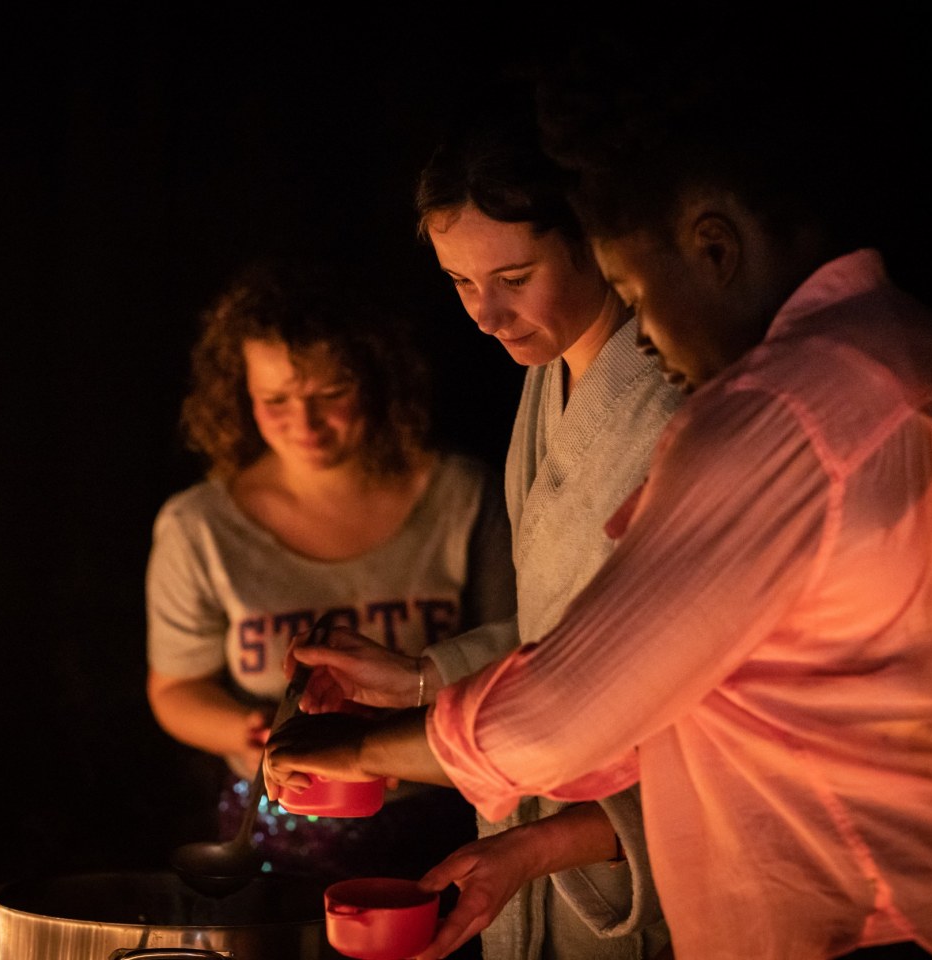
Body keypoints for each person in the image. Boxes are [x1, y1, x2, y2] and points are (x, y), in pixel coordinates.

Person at [263, 25, 932, 960]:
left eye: (632, 284)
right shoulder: (903, 354)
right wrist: (437, 702)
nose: (648, 335)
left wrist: (353, 752)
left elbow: (563, 713)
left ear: (711, 247)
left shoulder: (790, 404)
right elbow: (670, 683)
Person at [283, 78, 682, 959]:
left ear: (595, 238)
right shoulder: (547, 382)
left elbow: (657, 681)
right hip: (533, 834)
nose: (485, 314)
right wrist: (423, 680)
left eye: (514, 277)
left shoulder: (675, 393)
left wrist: (386, 751)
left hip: (637, 859)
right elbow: (555, 634)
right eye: (459, 280)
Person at [145, 255, 516, 889]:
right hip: (273, 829)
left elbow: (520, 648)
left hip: (440, 810)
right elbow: (175, 689)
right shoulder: (199, 526)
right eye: (276, 400)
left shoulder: (462, 495)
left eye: (331, 394)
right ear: (241, 396)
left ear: (375, 380)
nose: (306, 424)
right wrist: (253, 730)